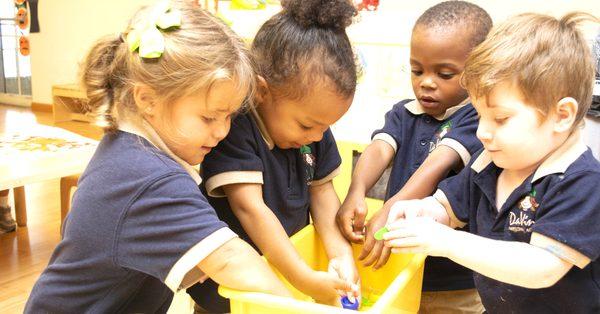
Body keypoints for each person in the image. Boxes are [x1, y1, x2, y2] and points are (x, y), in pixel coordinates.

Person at [25, 1, 290, 312]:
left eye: (230, 116)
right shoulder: (149, 179)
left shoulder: (127, 152)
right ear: (148, 100)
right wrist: (295, 305)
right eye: (208, 118)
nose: (222, 132)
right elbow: (234, 261)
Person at [383, 12, 600, 313]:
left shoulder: (582, 181)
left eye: (500, 118)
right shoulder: (487, 163)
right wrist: (423, 211)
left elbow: (543, 267)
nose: (482, 131)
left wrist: (445, 242)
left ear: (561, 116)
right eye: (479, 114)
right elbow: (447, 208)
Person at [187, 0, 360, 312]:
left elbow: (322, 193)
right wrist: (304, 278)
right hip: (232, 290)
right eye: (309, 124)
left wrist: (341, 256)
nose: (318, 136)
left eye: (326, 127)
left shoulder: (314, 130)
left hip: (286, 278)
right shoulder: (237, 128)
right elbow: (250, 208)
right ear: (261, 91)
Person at [336, 1, 491, 312]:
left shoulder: (477, 116)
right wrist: (356, 191)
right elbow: (379, 149)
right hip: (403, 272)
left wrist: (392, 206)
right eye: (417, 70)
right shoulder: (404, 112)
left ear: (478, 69)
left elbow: (439, 162)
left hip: (454, 282)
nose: (426, 82)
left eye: (444, 73)